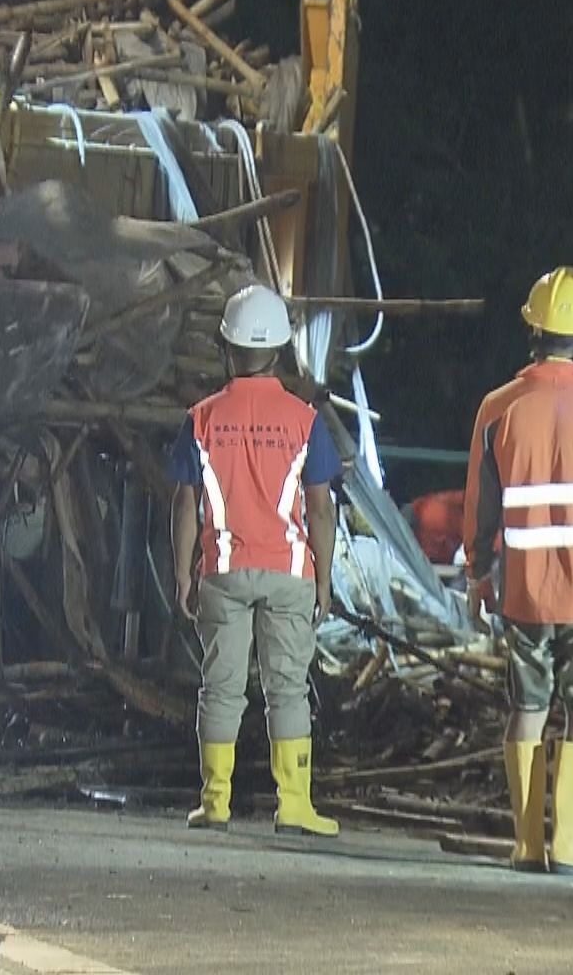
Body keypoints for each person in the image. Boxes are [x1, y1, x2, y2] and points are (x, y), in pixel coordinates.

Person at [170, 284, 343, 837]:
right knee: (286, 689)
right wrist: (324, 577)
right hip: (290, 572)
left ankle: (215, 804)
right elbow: (320, 506)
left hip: (221, 570)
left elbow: (185, 504)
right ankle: (293, 806)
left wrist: (182, 572)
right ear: (282, 348)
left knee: (221, 688)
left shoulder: (200, 419)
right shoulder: (304, 420)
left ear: (227, 347)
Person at [463, 266, 573, 873]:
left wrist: (477, 571)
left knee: (527, 705)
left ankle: (526, 846)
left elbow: (479, 501)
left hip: (522, 588)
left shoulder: (498, 407)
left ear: (534, 329)